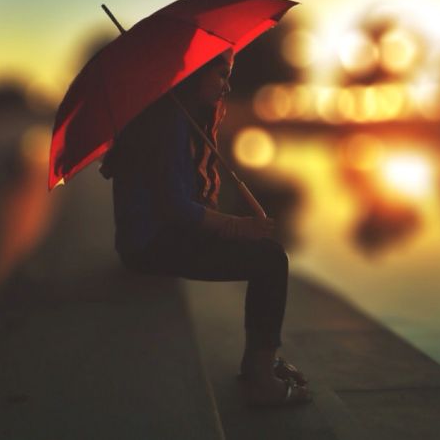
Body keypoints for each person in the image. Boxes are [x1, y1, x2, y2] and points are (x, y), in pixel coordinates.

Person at [100, 48, 311, 407]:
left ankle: (256, 360)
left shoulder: (173, 116)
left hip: (148, 239)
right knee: (271, 261)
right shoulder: (167, 122)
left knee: (268, 255)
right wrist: (237, 228)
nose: (226, 86)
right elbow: (176, 208)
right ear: (194, 74)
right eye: (221, 74)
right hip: (150, 246)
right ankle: (261, 375)